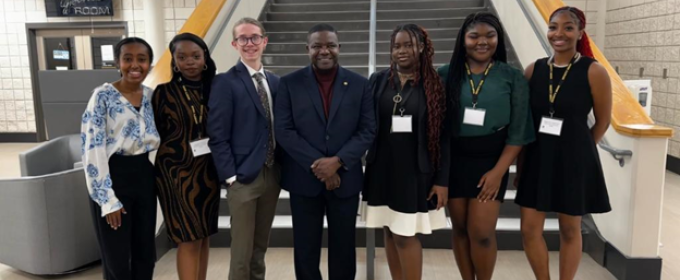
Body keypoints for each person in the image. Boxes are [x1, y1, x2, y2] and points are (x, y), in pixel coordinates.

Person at [515, 6, 612, 280]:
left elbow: (602, 122)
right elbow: (524, 121)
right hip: (537, 158)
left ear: (580, 32)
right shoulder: (533, 70)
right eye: (553, 27)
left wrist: (580, 153)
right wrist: (521, 166)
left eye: (568, 27)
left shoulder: (593, 71)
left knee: (570, 230)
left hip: (574, 160)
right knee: (529, 230)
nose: (559, 34)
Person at [274, 23, 376, 280]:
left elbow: (367, 130)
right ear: (307, 49)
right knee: (305, 247)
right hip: (303, 179)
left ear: (339, 48)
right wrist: (320, 165)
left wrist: (338, 161)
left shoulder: (359, 84)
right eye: (317, 46)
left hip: (346, 178)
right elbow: (284, 131)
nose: (324, 51)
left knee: (344, 246)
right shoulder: (288, 84)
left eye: (330, 45)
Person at [438, 12, 535, 280]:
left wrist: (498, 172)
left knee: (481, 233)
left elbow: (519, 131)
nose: (482, 42)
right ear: (463, 40)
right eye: (474, 36)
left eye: (489, 36)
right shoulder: (446, 74)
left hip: (492, 160)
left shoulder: (512, 76)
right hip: (455, 160)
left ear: (498, 39)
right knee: (459, 229)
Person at [361, 24, 449, 280]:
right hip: (381, 169)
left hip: (414, 172)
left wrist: (442, 180)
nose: (401, 51)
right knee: (389, 230)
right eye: (396, 46)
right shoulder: (379, 80)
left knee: (404, 235)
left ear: (421, 48)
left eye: (408, 45)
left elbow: (444, 138)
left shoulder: (435, 84)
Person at [207, 17, 281, 280]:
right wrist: (230, 177)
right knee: (241, 251)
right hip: (242, 178)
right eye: (243, 38)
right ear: (234, 44)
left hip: (272, 175)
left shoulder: (275, 82)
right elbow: (217, 135)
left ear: (264, 41)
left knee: (260, 247)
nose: (250, 43)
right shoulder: (225, 82)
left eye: (255, 37)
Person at [81, 37, 159, 280]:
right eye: (128, 59)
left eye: (142, 59)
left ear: (150, 64)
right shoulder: (102, 96)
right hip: (113, 176)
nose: (135, 65)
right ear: (117, 62)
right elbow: (92, 149)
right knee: (116, 256)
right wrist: (107, 200)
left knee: (145, 251)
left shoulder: (150, 96)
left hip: (144, 175)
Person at [153, 33, 219, 280]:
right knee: (188, 238)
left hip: (209, 171)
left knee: (202, 236)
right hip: (175, 172)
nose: (189, 62)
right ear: (174, 61)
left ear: (205, 59)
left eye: (195, 56)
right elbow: (156, 134)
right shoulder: (163, 92)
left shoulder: (217, 88)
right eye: (182, 57)